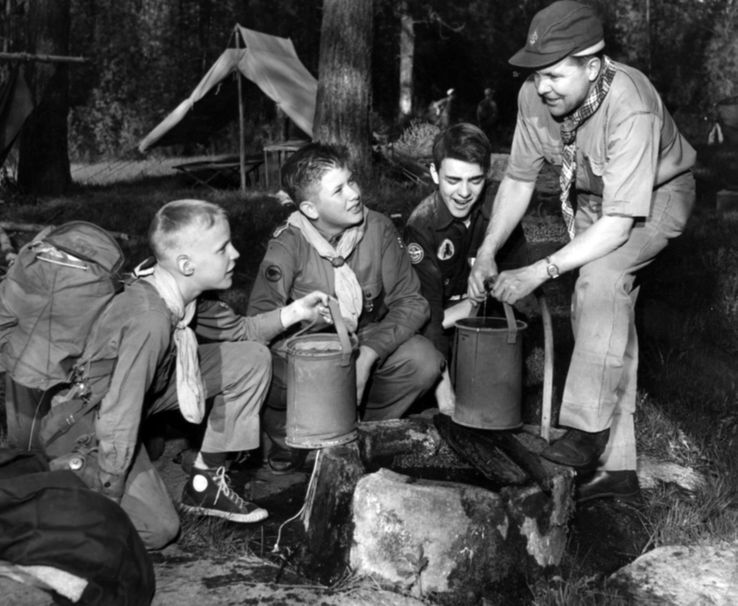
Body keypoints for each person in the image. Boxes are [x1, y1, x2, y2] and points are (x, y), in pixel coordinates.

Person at [468, 1, 696, 501]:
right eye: (536, 74)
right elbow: (519, 180)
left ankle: (588, 430)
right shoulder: (535, 96)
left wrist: (539, 270)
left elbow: (618, 227)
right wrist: (487, 250)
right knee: (602, 312)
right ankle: (617, 467)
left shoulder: (629, 104)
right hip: (597, 196)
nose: (541, 86)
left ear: (592, 68)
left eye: (553, 75)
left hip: (658, 195)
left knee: (601, 280)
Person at [46, 199, 329, 549]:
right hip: (90, 421)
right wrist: (110, 488)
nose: (235, 254)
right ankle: (66, 480)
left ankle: (206, 482)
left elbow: (243, 332)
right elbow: (119, 413)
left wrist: (298, 310)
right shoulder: (149, 319)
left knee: (252, 359)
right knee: (158, 529)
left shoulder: (186, 296)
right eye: (222, 248)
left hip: (147, 393)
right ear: (186, 264)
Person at [247, 142, 444, 473]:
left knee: (424, 360)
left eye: (351, 181)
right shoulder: (288, 244)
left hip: (361, 339)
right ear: (311, 210)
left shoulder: (377, 228)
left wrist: (368, 352)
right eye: (338, 190)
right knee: (258, 366)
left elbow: (411, 302)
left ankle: (364, 433)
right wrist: (315, 357)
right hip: (305, 358)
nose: (353, 194)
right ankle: (291, 439)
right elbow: (257, 323)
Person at [403, 123, 529, 413]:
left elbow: (516, 284)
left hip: (487, 318)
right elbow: (428, 317)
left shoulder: (501, 212)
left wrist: (475, 305)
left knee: (495, 401)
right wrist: (443, 389)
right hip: (437, 328)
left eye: (475, 180)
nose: (463, 192)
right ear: (435, 174)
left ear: (488, 175)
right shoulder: (422, 227)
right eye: (453, 180)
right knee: (438, 399)